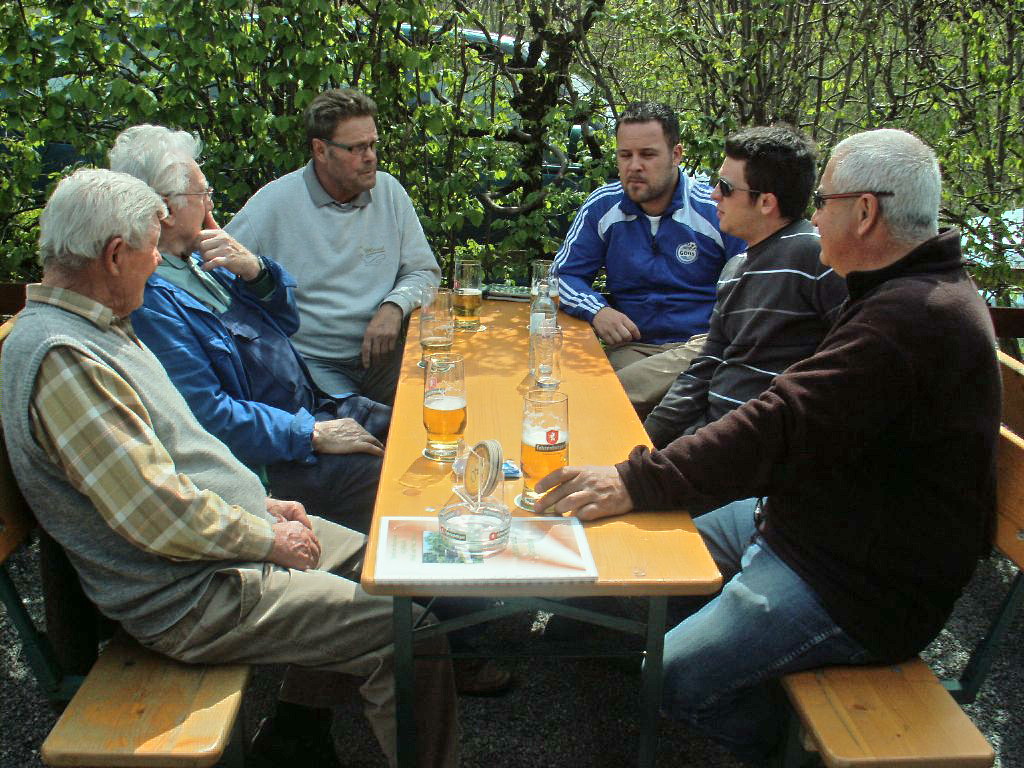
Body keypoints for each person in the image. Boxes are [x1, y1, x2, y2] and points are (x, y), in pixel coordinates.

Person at [534, 129, 1000, 763]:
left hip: (854, 586)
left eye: (823, 202)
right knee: (642, 550)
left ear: (865, 212)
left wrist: (638, 478)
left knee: (669, 674)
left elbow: (781, 422)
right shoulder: (900, 293)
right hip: (801, 523)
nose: (814, 216)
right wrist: (643, 475)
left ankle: (791, 747)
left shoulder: (913, 319)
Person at [0, 168, 457, 767]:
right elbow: (157, 515)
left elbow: (172, 464)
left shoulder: (98, 327)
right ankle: (316, 733)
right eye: (152, 250)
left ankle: (295, 735)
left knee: (396, 563)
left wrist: (260, 505)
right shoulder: (66, 360)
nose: (159, 264)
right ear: (114, 255)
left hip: (216, 550)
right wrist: (267, 537)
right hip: (190, 594)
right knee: (411, 636)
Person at [110, 124, 387, 533]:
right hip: (273, 460)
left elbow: (287, 321)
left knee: (415, 430)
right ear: (164, 210)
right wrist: (310, 433)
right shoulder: (151, 299)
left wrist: (257, 271)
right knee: (390, 478)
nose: (210, 203)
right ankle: (419, 573)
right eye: (202, 194)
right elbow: (206, 416)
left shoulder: (203, 260)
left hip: (314, 410)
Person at [225, 88, 440, 406]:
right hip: (315, 366)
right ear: (320, 150)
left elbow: (424, 272)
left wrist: (394, 307)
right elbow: (215, 269)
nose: (370, 157)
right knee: (364, 425)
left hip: (387, 358)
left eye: (373, 145)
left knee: (441, 397)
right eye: (357, 148)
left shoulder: (389, 193)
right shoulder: (275, 203)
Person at [644, 123, 847, 448]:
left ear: (766, 202)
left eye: (726, 187)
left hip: (762, 451)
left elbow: (848, 368)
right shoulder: (734, 268)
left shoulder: (816, 256)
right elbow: (705, 368)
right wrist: (642, 440)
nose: (714, 194)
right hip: (709, 441)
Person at [554, 102, 747, 417]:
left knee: (592, 400)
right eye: (625, 155)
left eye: (647, 155)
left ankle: (601, 401)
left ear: (676, 154)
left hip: (700, 347)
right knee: (560, 377)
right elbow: (561, 277)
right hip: (633, 348)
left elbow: (750, 290)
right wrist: (597, 310)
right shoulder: (603, 206)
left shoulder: (713, 210)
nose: (634, 166)